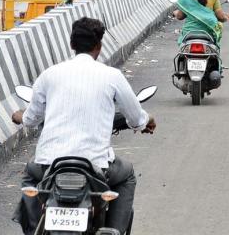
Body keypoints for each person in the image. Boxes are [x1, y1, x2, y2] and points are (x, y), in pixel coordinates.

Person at [11, 17, 157, 234]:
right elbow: (136, 118)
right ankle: (114, 230)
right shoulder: (112, 76)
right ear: (99, 45)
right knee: (127, 175)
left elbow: (31, 119)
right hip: (97, 166)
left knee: (31, 176)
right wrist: (147, 121)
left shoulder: (50, 75)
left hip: (49, 164)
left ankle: (33, 228)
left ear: (72, 44)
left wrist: (19, 116)